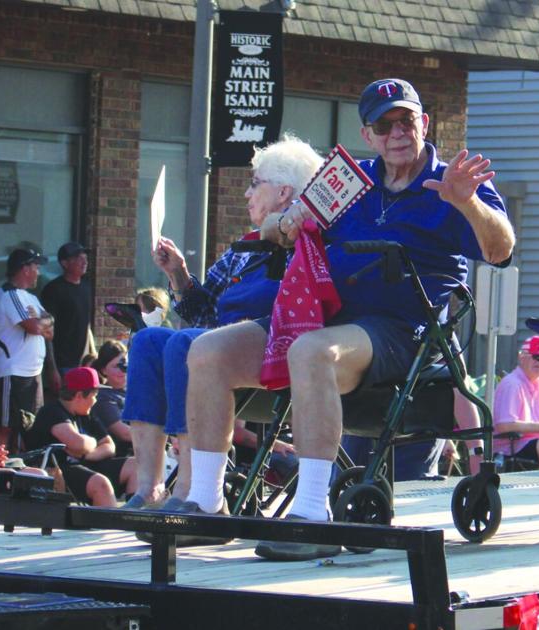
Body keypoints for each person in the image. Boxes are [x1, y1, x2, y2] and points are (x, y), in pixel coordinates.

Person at [180, 77, 514, 561]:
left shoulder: (452, 183)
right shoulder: (347, 181)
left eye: (406, 121)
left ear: (424, 123)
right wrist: (284, 222)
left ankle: (312, 513)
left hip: (401, 332)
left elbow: (500, 250)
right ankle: (207, 505)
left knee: (310, 351)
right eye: (385, 125)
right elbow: (273, 228)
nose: (397, 132)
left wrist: (467, 202)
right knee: (207, 350)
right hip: (325, 316)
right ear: (368, 135)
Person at [121, 135, 323, 512]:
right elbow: (202, 314)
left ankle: (189, 487)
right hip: (217, 350)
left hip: (273, 356)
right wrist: (179, 273)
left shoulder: (311, 244)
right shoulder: (243, 248)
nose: (247, 193)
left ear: (284, 192)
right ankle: (149, 487)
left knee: (186, 343)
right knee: (148, 341)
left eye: (255, 183)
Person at [21, 367, 135, 506]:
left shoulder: (87, 414)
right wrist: (93, 443)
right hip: (60, 470)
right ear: (79, 395)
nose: (95, 401)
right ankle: (110, 520)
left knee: (135, 465)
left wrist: (87, 455)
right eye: (94, 395)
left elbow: (110, 446)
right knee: (101, 484)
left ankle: (133, 513)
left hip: (85, 463)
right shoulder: (52, 412)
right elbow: (78, 443)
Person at [0, 249, 53, 449]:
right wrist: (45, 321)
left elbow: (50, 332)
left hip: (33, 372)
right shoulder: (10, 294)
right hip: (13, 370)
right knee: (5, 426)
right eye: (36, 267)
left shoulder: (31, 298)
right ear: (25, 269)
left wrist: (45, 321)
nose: (38, 272)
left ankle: (18, 465)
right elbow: (34, 327)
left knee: (29, 425)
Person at [493, 336, 539, 470]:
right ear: (521, 357)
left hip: (533, 443)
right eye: (536, 357)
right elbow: (504, 426)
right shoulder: (512, 384)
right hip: (510, 448)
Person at [40, 242, 94, 373]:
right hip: (62, 363)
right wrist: (52, 369)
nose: (84, 262)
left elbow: (86, 324)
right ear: (64, 263)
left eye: (85, 258)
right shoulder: (53, 290)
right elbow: (46, 331)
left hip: (83, 363)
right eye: (79, 258)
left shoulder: (87, 286)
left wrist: (92, 354)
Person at [89, 341, 131, 457]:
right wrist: (158, 434)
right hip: (122, 456)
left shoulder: (134, 391)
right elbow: (124, 433)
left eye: (125, 365)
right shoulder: (103, 397)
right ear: (104, 370)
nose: (123, 370)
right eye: (116, 366)